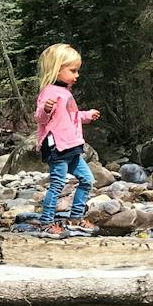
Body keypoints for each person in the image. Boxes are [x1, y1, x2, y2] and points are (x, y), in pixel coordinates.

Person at [34, 43, 101, 235]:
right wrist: (46, 109)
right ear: (57, 69)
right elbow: (40, 118)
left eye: (77, 70)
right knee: (57, 184)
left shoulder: (65, 92)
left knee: (87, 180)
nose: (76, 75)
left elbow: (70, 117)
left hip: (72, 147)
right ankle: (46, 222)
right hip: (57, 147)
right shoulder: (49, 92)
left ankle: (75, 217)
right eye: (72, 70)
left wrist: (86, 115)